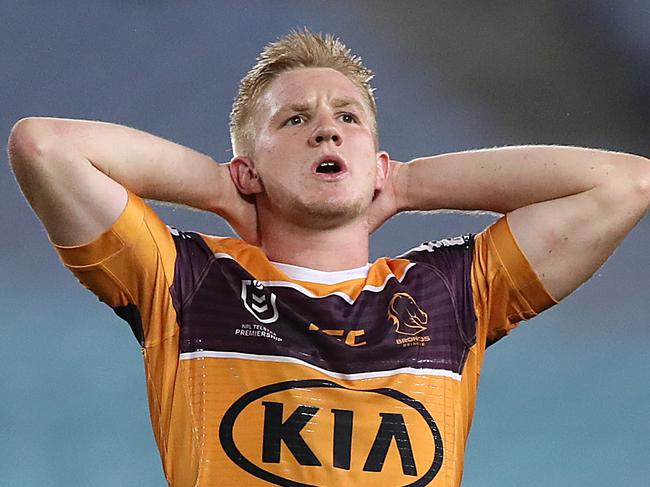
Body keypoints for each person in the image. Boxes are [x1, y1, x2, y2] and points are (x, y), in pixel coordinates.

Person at [7, 30, 649, 487]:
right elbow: (43, 146)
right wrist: (218, 188)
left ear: (374, 162)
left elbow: (626, 184)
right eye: (294, 120)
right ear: (248, 168)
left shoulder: (453, 292)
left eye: (349, 117)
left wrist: (408, 184)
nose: (327, 128)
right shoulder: (188, 282)